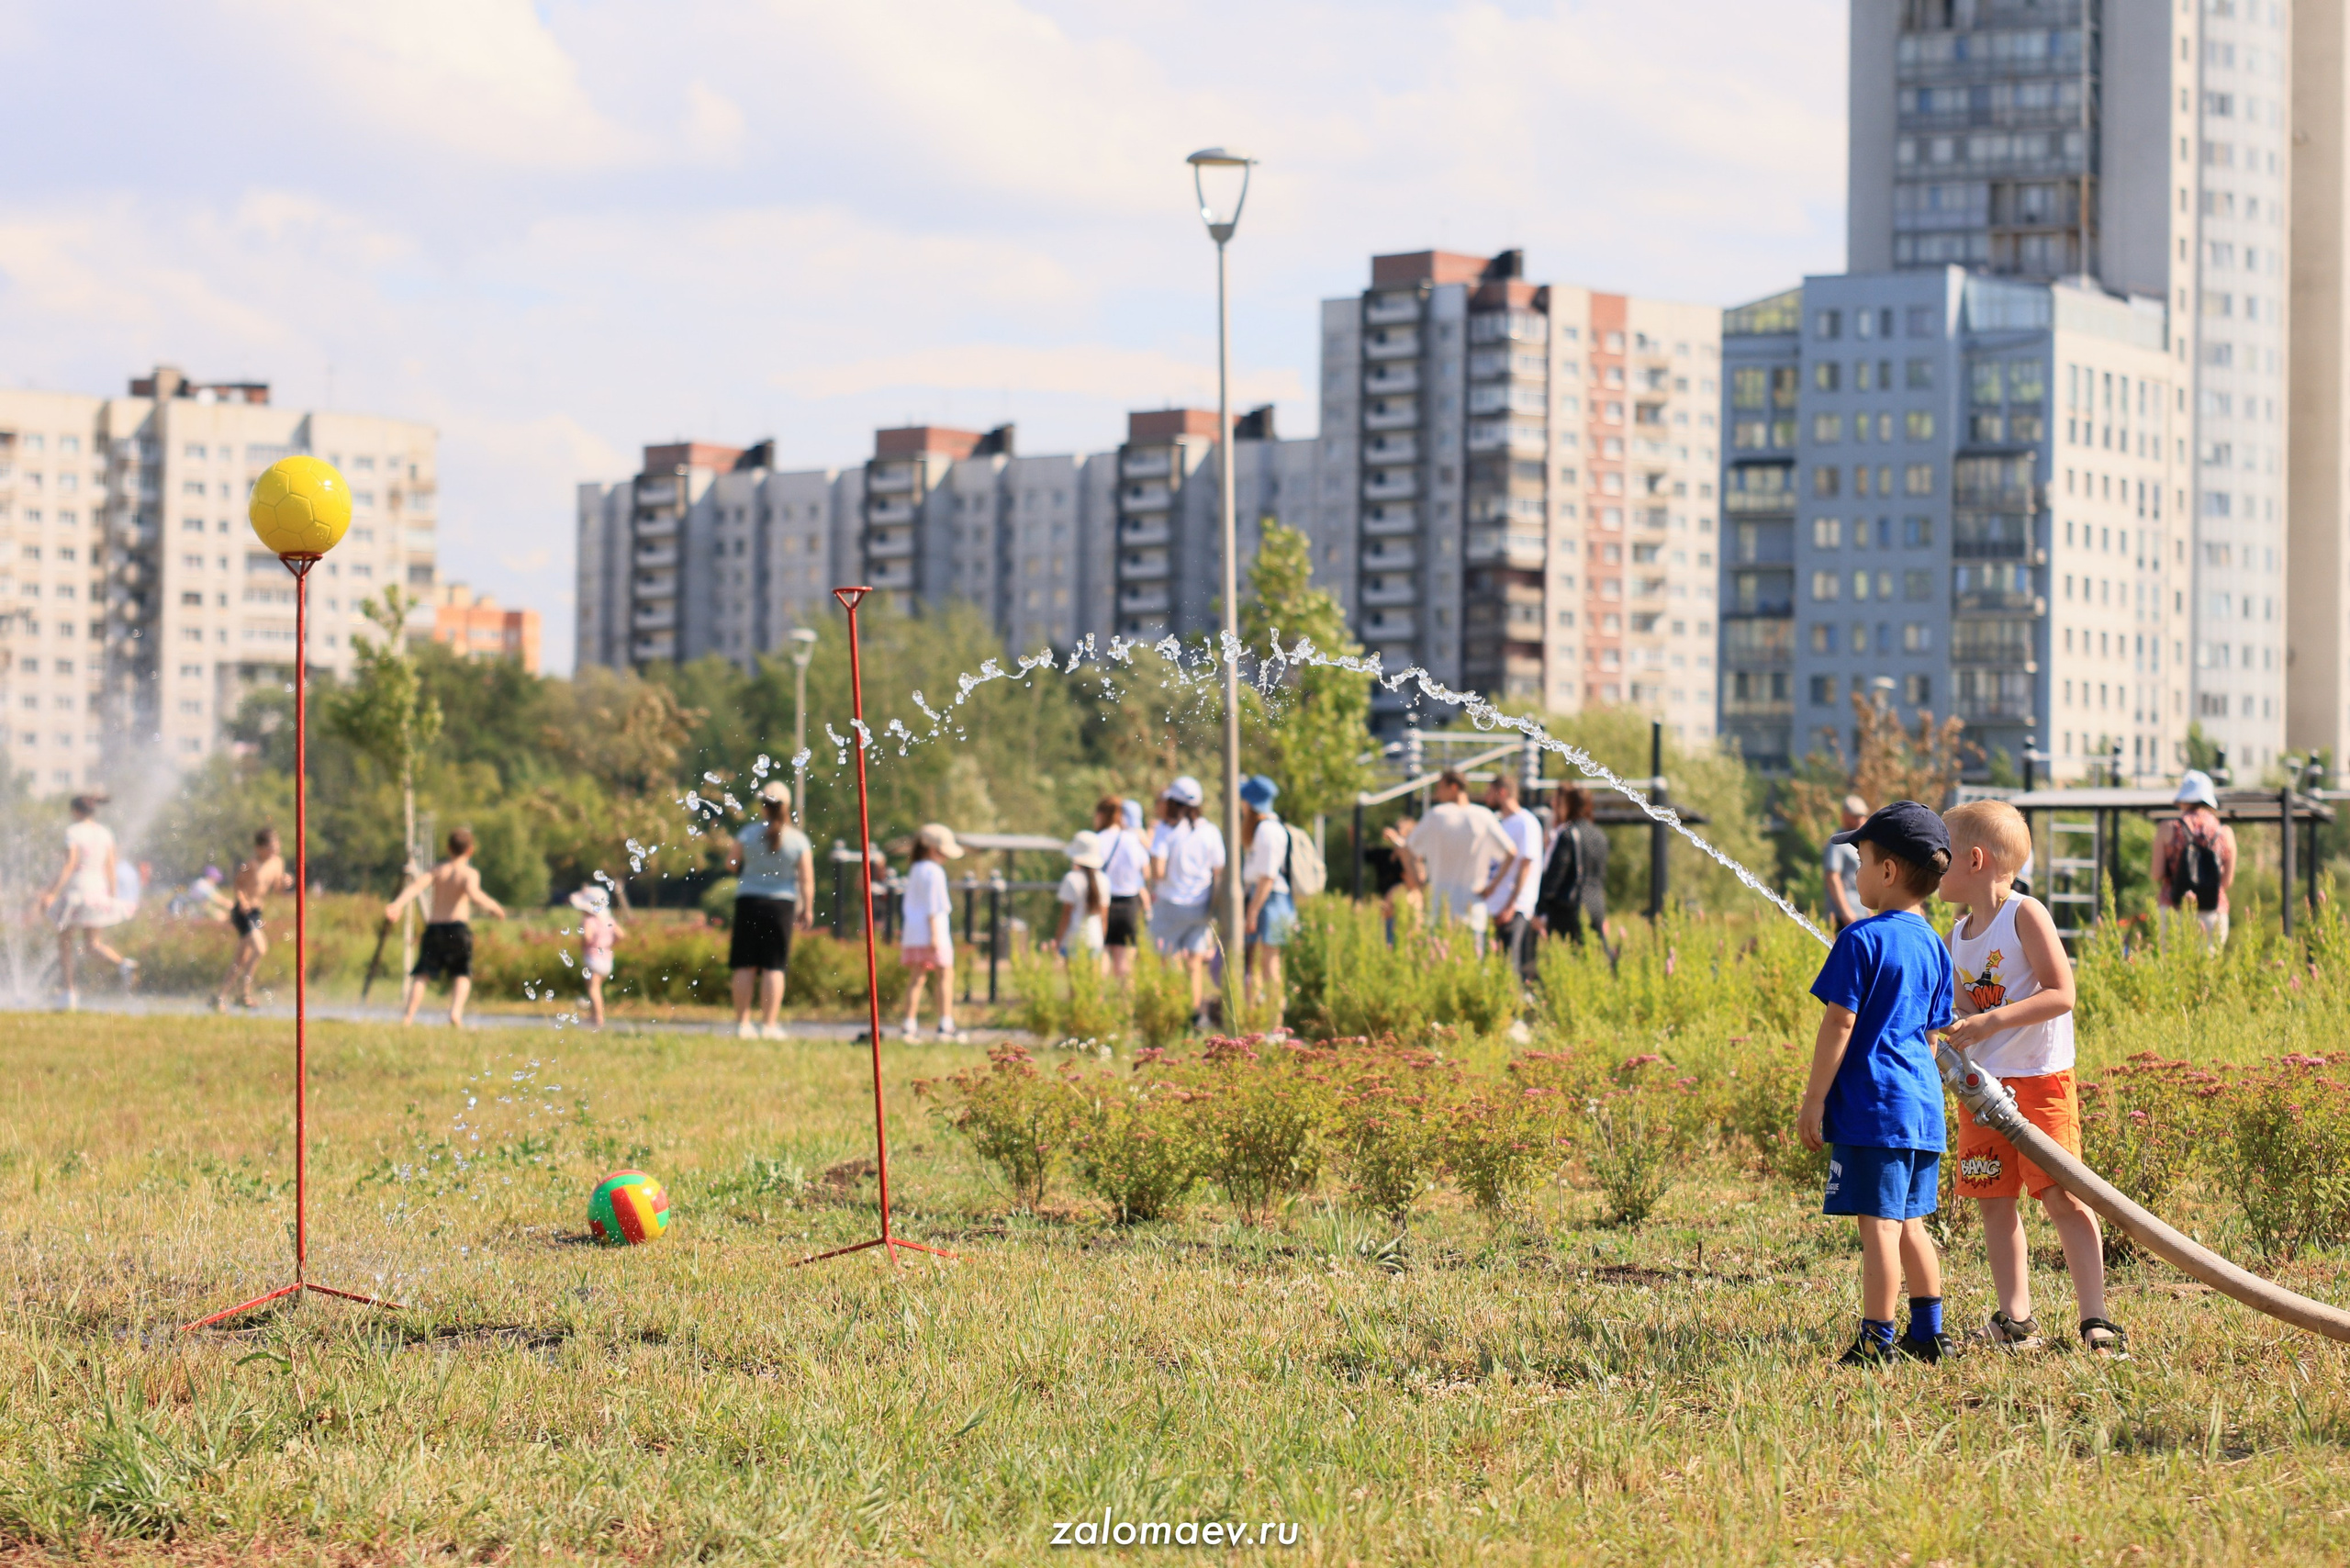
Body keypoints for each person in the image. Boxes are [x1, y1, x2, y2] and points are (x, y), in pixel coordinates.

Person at [1940, 800, 2126, 1357]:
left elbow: (2060, 993)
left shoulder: (2024, 914)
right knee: (1994, 1200)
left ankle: (2095, 1317)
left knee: (2063, 1197)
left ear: (1974, 860)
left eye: (1941, 856)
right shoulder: (1957, 931)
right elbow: (1966, 1004)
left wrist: (1989, 1019)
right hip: (1982, 1087)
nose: (1934, 866)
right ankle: (2015, 1320)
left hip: (2039, 1083)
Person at [1796, 801, 1955, 1366]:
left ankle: (1877, 1339)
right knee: (1911, 1222)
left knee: (1879, 1228)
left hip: (1874, 1107)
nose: (1855, 873)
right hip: (1920, 1109)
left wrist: (1815, 1099)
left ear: (1887, 872)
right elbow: (1934, 1038)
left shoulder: (1860, 940)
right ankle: (1930, 1332)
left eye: (1860, 859)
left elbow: (1840, 1022)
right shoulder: (1935, 946)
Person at [385, 827, 508, 1027]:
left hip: (435, 928)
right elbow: (475, 895)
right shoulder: (469, 873)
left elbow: (416, 887)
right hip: (457, 929)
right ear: (470, 850)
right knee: (461, 973)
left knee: (422, 974)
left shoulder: (437, 870)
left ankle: (408, 1018)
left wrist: (397, 904)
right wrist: (494, 907)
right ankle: (455, 1013)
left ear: (448, 848)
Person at [728, 781, 815, 1040]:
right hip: (781, 904)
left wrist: (750, 865)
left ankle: (742, 1024)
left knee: (745, 964)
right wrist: (807, 908)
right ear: (787, 807)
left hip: (749, 901)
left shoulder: (747, 833)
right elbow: (806, 879)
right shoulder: (798, 840)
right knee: (773, 966)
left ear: (763, 806)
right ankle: (769, 1025)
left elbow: (731, 863)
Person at [38, 793, 135, 1009]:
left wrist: (52, 891)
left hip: (77, 890)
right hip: (98, 890)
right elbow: (110, 866)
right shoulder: (105, 833)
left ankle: (68, 991)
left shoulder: (73, 832)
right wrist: (112, 894)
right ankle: (123, 964)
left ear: (75, 811)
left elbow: (70, 864)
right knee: (93, 944)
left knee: (65, 941)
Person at [1402, 769, 1517, 944]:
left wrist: (1419, 882)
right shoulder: (1483, 816)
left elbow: (1408, 849)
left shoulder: (1436, 815)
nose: (1437, 793)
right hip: (1473, 910)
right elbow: (1511, 852)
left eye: (1440, 788)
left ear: (1453, 787)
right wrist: (1491, 887)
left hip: (1440, 910)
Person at [1148, 775, 1226, 1027]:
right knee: (1194, 961)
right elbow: (1219, 870)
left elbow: (1158, 871)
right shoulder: (1211, 831)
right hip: (1201, 905)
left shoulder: (1166, 830)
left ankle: (1168, 1012)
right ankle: (1195, 1014)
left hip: (1171, 902)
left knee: (1164, 957)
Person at [2154, 769, 2237, 945]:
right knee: (2208, 968)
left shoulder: (2167, 828)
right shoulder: (2225, 833)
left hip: (2173, 908)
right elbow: (2227, 882)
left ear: (2184, 799)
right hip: (2213, 911)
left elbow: (2156, 873)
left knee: (2172, 967)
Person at [216, 827, 293, 1012]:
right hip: (243, 912)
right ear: (259, 848)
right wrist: (242, 901)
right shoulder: (251, 864)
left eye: (276, 846)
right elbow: (237, 884)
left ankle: (220, 997)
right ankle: (244, 992)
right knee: (260, 948)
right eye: (270, 847)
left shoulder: (277, 863)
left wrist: (286, 882)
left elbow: (277, 890)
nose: (274, 850)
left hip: (257, 912)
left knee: (240, 959)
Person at [900, 823, 966, 1041]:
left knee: (916, 978)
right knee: (945, 975)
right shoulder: (935, 872)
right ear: (931, 848)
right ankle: (945, 1024)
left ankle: (908, 1026)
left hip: (914, 933)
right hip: (933, 932)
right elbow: (934, 906)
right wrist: (935, 935)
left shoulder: (915, 869)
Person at [1480, 772, 1546, 980]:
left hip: (1512, 906)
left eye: (1490, 792)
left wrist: (1511, 905)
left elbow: (1526, 865)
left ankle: (1515, 1009)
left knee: (1510, 962)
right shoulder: (1501, 822)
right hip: (1494, 903)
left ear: (1502, 792)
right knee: (1494, 963)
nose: (1486, 797)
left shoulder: (1525, 822)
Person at [1536, 783, 1614, 958]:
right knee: (1594, 957)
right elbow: (1601, 875)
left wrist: (1540, 908)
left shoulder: (1567, 834)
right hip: (1596, 905)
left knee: (1565, 959)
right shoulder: (1599, 835)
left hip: (1570, 908)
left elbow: (1556, 874)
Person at [1237, 775, 1294, 1006]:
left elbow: (1267, 877)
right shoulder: (1265, 829)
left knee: (1270, 965)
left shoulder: (1267, 831)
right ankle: (1260, 1018)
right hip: (1265, 900)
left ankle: (1274, 1023)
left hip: (1269, 901)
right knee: (1261, 965)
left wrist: (1252, 911)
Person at [1096, 795, 1152, 980]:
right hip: (1128, 904)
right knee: (1125, 964)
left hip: (1103, 903)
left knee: (1102, 955)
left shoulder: (1098, 839)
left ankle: (1097, 1003)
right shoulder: (1131, 840)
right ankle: (1126, 1006)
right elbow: (1146, 872)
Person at [571, 885, 625, 1030]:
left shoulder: (589, 921)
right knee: (596, 987)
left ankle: (598, 1017)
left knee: (593, 988)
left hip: (593, 957)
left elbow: (587, 937)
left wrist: (583, 944)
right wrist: (610, 943)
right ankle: (594, 1014)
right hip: (607, 957)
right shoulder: (607, 920)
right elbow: (621, 935)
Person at [1055, 830, 1109, 965]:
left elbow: (1066, 915)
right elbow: (1104, 917)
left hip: (1074, 938)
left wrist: (1058, 940)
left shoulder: (1072, 879)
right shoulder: (1103, 880)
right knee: (1092, 983)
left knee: (1074, 984)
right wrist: (1102, 940)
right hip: (1095, 938)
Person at [1823, 793, 1868, 930]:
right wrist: (1845, 910)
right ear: (1844, 816)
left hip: (1860, 914)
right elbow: (1832, 877)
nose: (1860, 820)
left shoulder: (1857, 843)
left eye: (1862, 816)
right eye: (1855, 816)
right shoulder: (1838, 842)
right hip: (1844, 917)